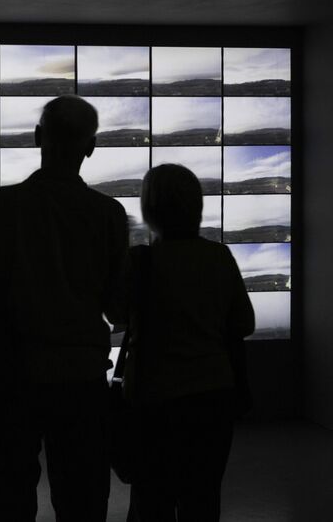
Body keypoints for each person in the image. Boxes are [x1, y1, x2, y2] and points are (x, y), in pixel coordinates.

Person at [0, 95, 129, 521]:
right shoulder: (108, 214)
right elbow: (120, 307)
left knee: (9, 499)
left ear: (37, 138)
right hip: (82, 377)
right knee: (82, 498)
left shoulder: (2, 207)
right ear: (91, 146)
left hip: (10, 376)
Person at [123, 164, 255, 522]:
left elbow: (119, 318)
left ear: (149, 209)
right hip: (213, 399)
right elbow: (244, 323)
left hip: (154, 401)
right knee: (203, 499)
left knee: (152, 500)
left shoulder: (141, 262)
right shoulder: (219, 257)